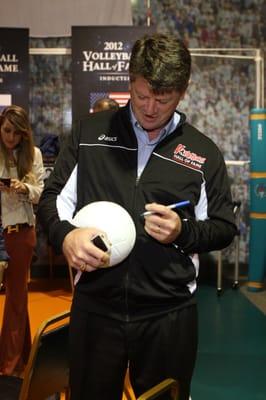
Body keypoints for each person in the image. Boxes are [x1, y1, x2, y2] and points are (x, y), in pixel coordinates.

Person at [37, 33, 237, 400]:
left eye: (162, 100)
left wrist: (183, 231)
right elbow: (51, 200)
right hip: (96, 309)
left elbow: (224, 227)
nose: (149, 109)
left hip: (168, 314)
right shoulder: (89, 134)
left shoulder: (203, 154)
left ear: (182, 92)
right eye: (142, 96)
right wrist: (65, 236)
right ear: (129, 81)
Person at [0, 105, 45, 376]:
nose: (10, 138)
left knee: (15, 299)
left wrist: (24, 187)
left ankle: (9, 366)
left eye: (17, 133)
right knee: (19, 298)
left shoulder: (34, 154)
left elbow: (41, 192)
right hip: (2, 230)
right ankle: (24, 355)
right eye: (6, 130)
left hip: (21, 234)